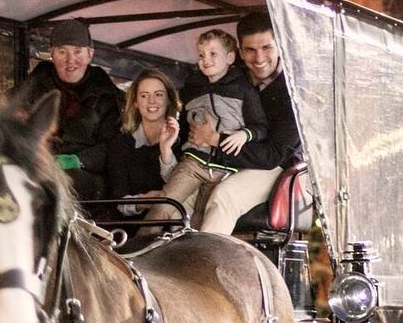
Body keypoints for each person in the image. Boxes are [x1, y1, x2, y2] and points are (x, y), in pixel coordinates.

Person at [143, 28, 270, 232]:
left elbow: (260, 126)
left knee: (201, 218)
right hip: (194, 161)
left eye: (213, 54)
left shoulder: (243, 89)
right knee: (165, 204)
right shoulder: (192, 88)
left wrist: (244, 134)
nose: (205, 60)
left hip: (225, 167)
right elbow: (184, 127)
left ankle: (191, 259)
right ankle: (137, 252)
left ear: (230, 58)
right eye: (201, 55)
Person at [196, 10, 305, 234]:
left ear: (280, 47)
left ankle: (203, 266)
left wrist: (217, 141)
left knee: (224, 197)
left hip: (275, 167)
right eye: (250, 50)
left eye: (266, 48)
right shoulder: (230, 79)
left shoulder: (295, 92)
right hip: (224, 158)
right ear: (240, 53)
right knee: (179, 201)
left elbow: (272, 155)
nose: (259, 58)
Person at [23, 18, 124, 202]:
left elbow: (113, 147)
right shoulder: (30, 89)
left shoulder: (109, 97)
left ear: (90, 54)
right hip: (36, 168)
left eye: (78, 52)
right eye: (63, 52)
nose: (71, 60)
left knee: (63, 181)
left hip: (88, 178)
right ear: (52, 53)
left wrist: (78, 159)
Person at [107, 68, 181, 203]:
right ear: (135, 102)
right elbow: (117, 199)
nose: (151, 101)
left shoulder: (183, 141)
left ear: (169, 99)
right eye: (144, 95)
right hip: (129, 222)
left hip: (172, 219)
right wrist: (143, 201)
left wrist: (166, 151)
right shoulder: (121, 143)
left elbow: (180, 191)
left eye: (158, 94)